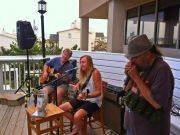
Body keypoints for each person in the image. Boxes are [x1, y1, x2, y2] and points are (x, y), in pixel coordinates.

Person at [123, 34, 174, 135]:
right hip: (131, 127)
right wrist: (129, 75)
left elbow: (157, 103)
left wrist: (136, 78)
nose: (131, 60)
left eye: (135, 57)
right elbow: (126, 90)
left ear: (148, 54)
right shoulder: (139, 66)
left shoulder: (162, 69)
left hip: (149, 130)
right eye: (130, 57)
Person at [59, 55, 102, 135]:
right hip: (83, 98)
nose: (81, 64)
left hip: (93, 101)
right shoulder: (84, 71)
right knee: (60, 109)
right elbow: (84, 82)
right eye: (81, 62)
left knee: (77, 116)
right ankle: (79, 125)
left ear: (89, 63)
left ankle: (78, 127)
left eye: (83, 62)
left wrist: (86, 96)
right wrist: (77, 84)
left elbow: (99, 92)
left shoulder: (95, 73)